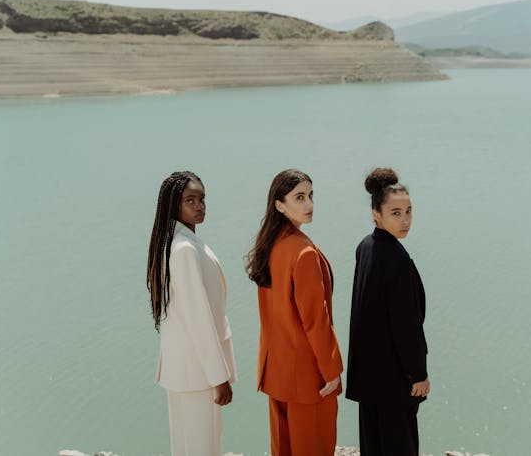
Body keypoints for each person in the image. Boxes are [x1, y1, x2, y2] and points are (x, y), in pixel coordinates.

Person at [246, 169, 343, 456]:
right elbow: (315, 321)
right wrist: (332, 371)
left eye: (311, 196)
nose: (309, 204)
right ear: (280, 204)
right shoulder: (304, 253)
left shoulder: (269, 246)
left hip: (277, 373)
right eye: (299, 197)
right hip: (307, 377)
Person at [146, 171, 237, 456]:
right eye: (190, 200)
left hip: (184, 370)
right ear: (174, 206)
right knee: (203, 447)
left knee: (189, 447)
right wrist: (218, 376)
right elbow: (199, 318)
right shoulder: (184, 249)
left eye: (202, 199)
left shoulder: (173, 243)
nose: (199, 206)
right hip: (197, 373)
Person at [346, 168, 430, 456]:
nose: (405, 219)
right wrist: (418, 374)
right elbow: (405, 324)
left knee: (374, 445)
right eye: (395, 213)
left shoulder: (366, 247)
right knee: (399, 446)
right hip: (395, 378)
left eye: (408, 211)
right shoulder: (396, 259)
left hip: (369, 375)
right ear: (376, 213)